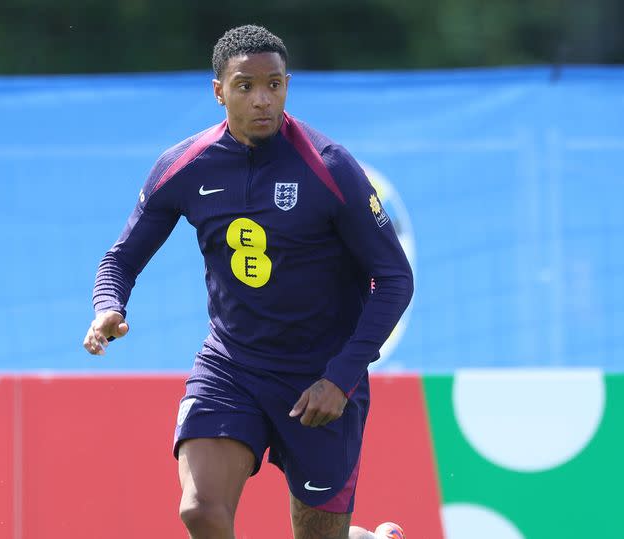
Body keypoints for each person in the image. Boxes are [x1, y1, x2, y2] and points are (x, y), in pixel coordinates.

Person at [84, 24, 414, 539]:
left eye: (274, 85)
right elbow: (121, 257)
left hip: (319, 378)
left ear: (287, 85)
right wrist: (109, 305)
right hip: (232, 365)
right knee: (200, 510)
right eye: (245, 86)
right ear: (218, 91)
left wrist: (341, 376)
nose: (262, 99)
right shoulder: (183, 166)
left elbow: (394, 279)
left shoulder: (330, 167)